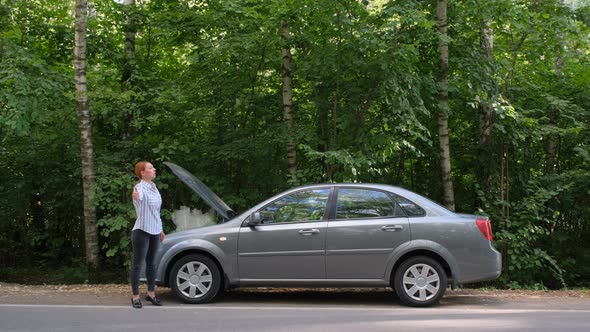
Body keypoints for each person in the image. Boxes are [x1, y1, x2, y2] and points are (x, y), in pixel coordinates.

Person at [130, 161, 165, 308]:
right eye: (150, 168)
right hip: (142, 231)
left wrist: (161, 229)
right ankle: (135, 296)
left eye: (153, 167)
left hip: (155, 231)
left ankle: (151, 294)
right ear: (142, 173)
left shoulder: (154, 187)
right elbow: (138, 199)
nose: (154, 169)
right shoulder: (139, 188)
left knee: (152, 264)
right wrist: (136, 198)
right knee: (138, 264)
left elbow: (156, 212)